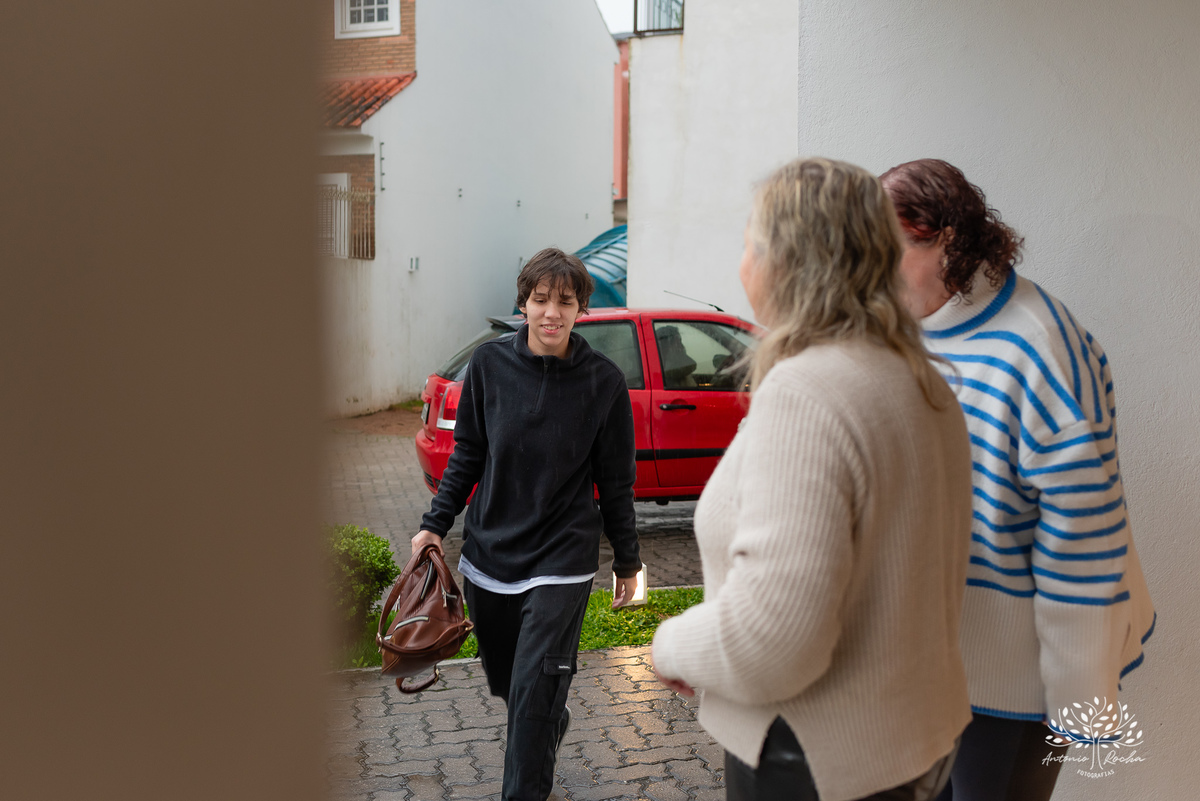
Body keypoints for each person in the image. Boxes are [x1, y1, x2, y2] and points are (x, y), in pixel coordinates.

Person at [650, 157, 975, 801]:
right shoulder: (920, 380)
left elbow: (772, 640)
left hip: (814, 760)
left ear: (786, 260)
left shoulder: (808, 391)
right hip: (908, 747)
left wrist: (670, 646)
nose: (741, 260)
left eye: (749, 241)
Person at [880, 158, 1156, 801]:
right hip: (929, 658)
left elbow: (1084, 539)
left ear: (945, 239)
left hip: (1014, 677)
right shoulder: (906, 325)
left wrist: (1080, 699)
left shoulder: (1043, 350)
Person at [410, 248, 641, 801]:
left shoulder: (604, 383)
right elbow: (467, 455)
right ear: (524, 303)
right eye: (541, 300)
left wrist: (628, 561)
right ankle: (545, 724)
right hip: (490, 560)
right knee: (516, 690)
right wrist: (434, 525)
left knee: (534, 694)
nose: (552, 312)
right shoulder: (489, 367)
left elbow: (615, 482)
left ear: (582, 308)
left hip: (563, 560)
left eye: (565, 301)